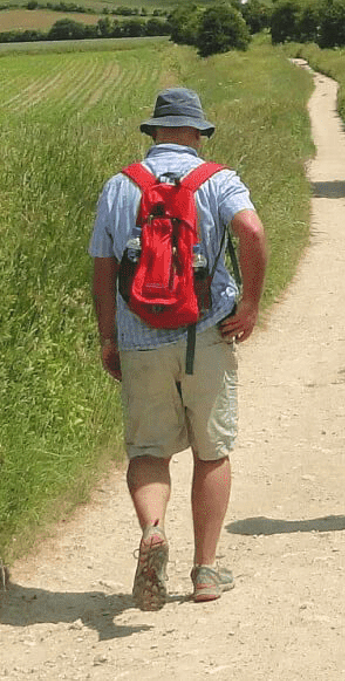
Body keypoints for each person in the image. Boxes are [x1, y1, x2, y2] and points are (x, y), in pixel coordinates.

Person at [89, 86, 268, 610]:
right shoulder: (219, 181)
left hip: (139, 338)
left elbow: (102, 269)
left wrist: (108, 337)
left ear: (153, 132)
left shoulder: (120, 186)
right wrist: (251, 305)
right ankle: (206, 571)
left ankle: (152, 532)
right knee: (212, 452)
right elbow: (252, 231)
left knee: (149, 451)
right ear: (198, 133)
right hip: (207, 334)